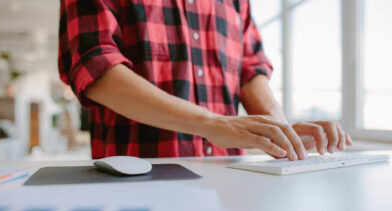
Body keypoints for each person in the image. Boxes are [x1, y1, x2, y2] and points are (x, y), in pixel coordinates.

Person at [58, 0, 352, 160]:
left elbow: (251, 70)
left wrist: (282, 132)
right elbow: (95, 66)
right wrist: (211, 123)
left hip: (229, 184)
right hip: (138, 180)